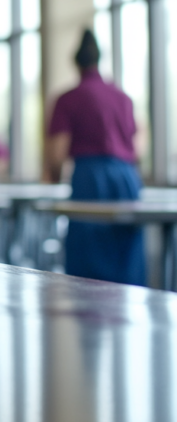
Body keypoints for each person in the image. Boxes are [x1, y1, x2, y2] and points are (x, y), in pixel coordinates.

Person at [45, 29, 144, 285]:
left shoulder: (68, 99)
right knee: (126, 261)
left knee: (87, 273)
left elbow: (57, 154)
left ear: (76, 63)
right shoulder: (123, 98)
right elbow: (139, 147)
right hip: (126, 179)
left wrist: (55, 177)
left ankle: (89, 324)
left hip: (90, 180)